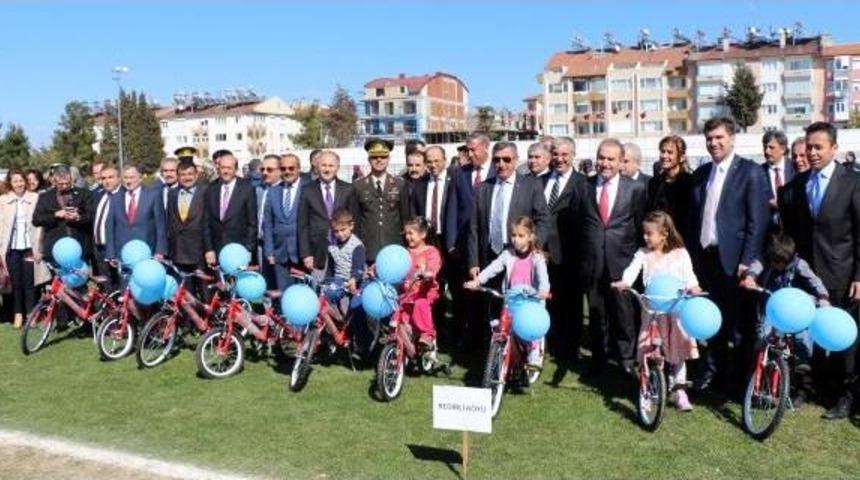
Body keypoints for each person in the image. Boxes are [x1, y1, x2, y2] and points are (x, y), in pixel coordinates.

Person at [779, 121, 860, 420]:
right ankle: (805, 386)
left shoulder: (852, 182)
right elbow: (790, 234)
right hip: (805, 278)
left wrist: (859, 277)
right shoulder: (796, 187)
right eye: (808, 147)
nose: (812, 153)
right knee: (804, 338)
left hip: (842, 275)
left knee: (842, 340)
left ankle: (845, 396)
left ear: (834, 148)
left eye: (818, 147)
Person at [688, 117, 769, 394]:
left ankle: (743, 381)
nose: (714, 143)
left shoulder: (751, 172)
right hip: (707, 260)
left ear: (732, 139)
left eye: (719, 137)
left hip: (736, 263)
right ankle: (715, 374)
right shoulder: (701, 175)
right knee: (713, 322)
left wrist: (747, 261)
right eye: (710, 138)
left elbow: (757, 223)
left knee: (742, 327)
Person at [611, 211, 700, 411]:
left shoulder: (680, 253)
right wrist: (625, 282)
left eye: (649, 233)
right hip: (651, 311)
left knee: (678, 353)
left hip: (675, 311)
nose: (645, 237)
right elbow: (632, 270)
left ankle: (679, 391)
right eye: (644, 233)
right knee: (648, 350)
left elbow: (689, 275)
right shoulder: (643, 254)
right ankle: (647, 390)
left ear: (664, 234)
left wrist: (694, 287)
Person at [468, 141, 549, 350]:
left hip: (520, 257)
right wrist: (474, 261)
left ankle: (524, 348)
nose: (501, 164)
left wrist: (531, 246)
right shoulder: (484, 188)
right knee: (494, 305)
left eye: (506, 159)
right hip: (490, 255)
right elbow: (475, 227)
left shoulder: (531, 186)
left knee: (518, 305)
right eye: (497, 160)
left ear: (515, 160)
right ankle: (495, 350)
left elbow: (543, 220)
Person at [740, 233, 829, 408]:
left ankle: (802, 364)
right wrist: (750, 277)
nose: (777, 266)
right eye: (774, 262)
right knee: (763, 337)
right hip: (771, 308)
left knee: (802, 335)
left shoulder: (799, 264)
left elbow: (814, 280)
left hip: (792, 310)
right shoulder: (765, 259)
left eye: (781, 263)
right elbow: (756, 266)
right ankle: (757, 377)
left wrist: (823, 296)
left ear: (789, 259)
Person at [582, 139, 647, 378]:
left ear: (621, 162)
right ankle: (598, 359)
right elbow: (581, 223)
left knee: (624, 315)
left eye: (611, 159)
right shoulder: (585, 186)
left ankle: (626, 360)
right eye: (601, 157)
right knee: (597, 315)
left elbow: (641, 225)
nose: (605, 163)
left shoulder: (636, 188)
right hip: (593, 262)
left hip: (623, 262)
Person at [465, 216, 550, 368]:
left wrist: (544, 290)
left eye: (521, 236)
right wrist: (477, 281)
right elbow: (493, 268)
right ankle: (499, 356)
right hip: (511, 300)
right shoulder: (508, 254)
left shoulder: (537, 258)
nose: (516, 239)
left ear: (530, 237)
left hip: (531, 302)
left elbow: (543, 278)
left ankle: (534, 353)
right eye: (513, 235)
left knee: (529, 330)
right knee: (502, 327)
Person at [542, 137, 591, 371]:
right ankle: (549, 343)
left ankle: (570, 349)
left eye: (564, 154)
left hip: (570, 254)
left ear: (573, 155)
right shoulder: (539, 181)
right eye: (555, 154)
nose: (559, 159)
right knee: (548, 301)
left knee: (571, 305)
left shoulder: (583, 183)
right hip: (542, 254)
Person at [0, 170, 49, 328]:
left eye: (21, 181)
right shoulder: (3, 200)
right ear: (10, 183)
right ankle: (18, 314)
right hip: (12, 248)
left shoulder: (35, 198)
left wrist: (39, 248)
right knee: (16, 283)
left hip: (30, 247)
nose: (19, 184)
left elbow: (40, 226)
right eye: (15, 182)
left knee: (29, 283)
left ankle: (31, 313)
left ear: (25, 182)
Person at [298, 151, 357, 272]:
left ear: (337, 167)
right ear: (317, 167)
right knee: (319, 287)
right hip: (317, 251)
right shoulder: (307, 190)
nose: (327, 169)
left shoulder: (348, 189)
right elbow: (302, 225)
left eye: (331, 166)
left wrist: (355, 250)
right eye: (323, 165)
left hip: (344, 248)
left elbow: (355, 221)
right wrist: (306, 254)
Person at [354, 138, 410, 263]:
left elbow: (405, 217)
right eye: (374, 157)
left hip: (394, 246)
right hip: (368, 247)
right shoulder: (359, 186)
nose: (379, 160)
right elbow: (356, 220)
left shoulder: (400, 184)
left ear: (388, 159)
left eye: (383, 157)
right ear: (369, 159)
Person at [323, 208, 369, 353]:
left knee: (357, 310)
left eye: (343, 230)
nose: (340, 234)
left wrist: (354, 279)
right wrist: (326, 282)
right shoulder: (332, 245)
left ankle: (363, 345)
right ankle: (336, 328)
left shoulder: (357, 246)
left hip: (358, 282)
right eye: (336, 231)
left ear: (351, 226)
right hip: (339, 280)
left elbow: (359, 268)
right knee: (326, 297)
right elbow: (330, 267)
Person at [204, 150, 257, 266]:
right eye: (223, 168)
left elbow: (252, 223)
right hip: (217, 250)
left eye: (229, 168)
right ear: (218, 168)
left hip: (239, 250)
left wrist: (248, 249)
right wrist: (209, 249)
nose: (226, 171)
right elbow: (206, 222)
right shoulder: (211, 189)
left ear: (236, 169)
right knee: (221, 284)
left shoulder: (247, 189)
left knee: (236, 283)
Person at [399, 216, 443, 358]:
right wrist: (376, 269)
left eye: (411, 233)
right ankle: (402, 345)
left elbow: (433, 267)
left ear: (423, 235)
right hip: (408, 292)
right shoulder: (404, 253)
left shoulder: (431, 251)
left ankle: (427, 335)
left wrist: (428, 273)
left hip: (425, 291)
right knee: (399, 312)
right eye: (406, 233)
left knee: (420, 304)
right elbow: (392, 261)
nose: (407, 237)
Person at [263, 153, 308, 290]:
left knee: (303, 294)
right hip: (280, 253)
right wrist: (269, 251)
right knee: (284, 294)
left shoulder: (308, 188)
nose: (287, 172)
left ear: (299, 169)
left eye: (291, 168)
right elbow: (268, 224)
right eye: (283, 169)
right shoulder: (273, 191)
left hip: (302, 252)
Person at [105, 165, 168, 261]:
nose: (128, 181)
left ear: (140, 178)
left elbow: (160, 225)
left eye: (132, 177)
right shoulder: (115, 198)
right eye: (125, 178)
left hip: (147, 252)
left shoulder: (153, 195)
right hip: (123, 254)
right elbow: (110, 227)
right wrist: (111, 254)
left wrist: (160, 251)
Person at [32, 165, 91, 264]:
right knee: (57, 280)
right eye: (61, 184)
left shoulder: (84, 194)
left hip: (79, 248)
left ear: (71, 178)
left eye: (67, 183)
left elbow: (90, 216)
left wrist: (78, 217)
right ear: (54, 181)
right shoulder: (45, 197)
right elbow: (36, 220)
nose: (64, 186)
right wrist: (55, 215)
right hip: (54, 250)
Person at [166, 160, 208, 280]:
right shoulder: (172, 194)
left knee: (205, 293)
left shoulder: (205, 192)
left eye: (190, 174)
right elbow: (170, 222)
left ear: (196, 175)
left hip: (200, 253)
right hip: (179, 253)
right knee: (185, 294)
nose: (187, 178)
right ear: (178, 177)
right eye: (183, 175)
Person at [645, 135, 694, 237]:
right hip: (659, 240)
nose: (664, 156)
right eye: (662, 151)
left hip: (682, 240)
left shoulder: (691, 182)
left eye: (670, 152)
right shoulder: (654, 182)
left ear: (681, 157)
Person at [90, 165, 121, 282]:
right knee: (105, 283)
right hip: (98, 248)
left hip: (115, 249)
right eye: (103, 178)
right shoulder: (98, 195)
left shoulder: (124, 196)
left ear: (118, 178)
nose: (106, 181)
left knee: (118, 283)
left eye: (110, 177)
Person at [761, 130, 794, 231]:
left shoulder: (795, 168)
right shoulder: (758, 172)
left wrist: (781, 205)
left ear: (783, 149)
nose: (767, 151)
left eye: (771, 147)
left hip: (793, 227)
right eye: (765, 147)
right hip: (768, 229)